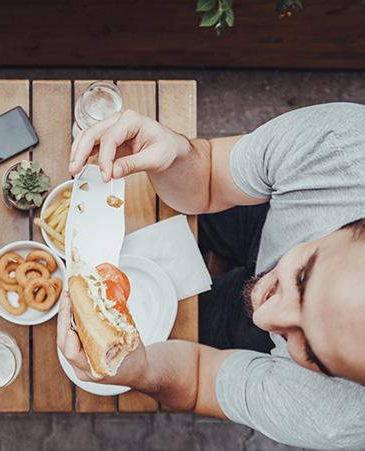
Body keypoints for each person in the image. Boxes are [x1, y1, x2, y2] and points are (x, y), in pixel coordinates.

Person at [61, 103, 365, 449]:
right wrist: (175, 156)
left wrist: (141, 371)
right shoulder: (345, 147)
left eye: (308, 349)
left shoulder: (334, 418)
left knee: (193, 326)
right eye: (303, 278)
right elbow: (208, 176)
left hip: (261, 342)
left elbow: (198, 381)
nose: (264, 316)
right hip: (268, 211)